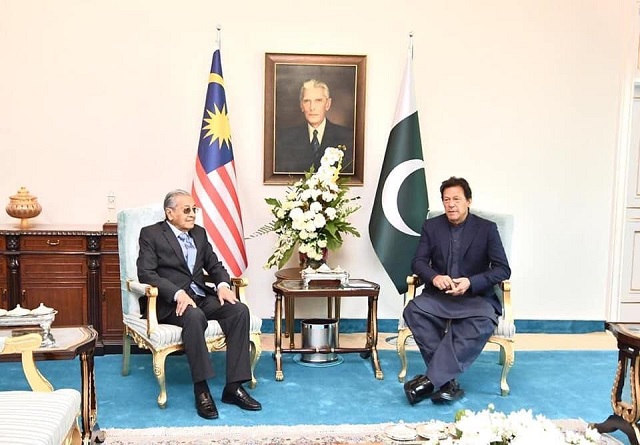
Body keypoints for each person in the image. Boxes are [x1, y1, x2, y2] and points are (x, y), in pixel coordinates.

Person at [136, 189, 261, 419]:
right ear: (169, 213)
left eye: (194, 209)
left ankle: (233, 387)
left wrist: (223, 285)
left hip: (202, 297)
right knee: (194, 316)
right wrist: (176, 294)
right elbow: (146, 274)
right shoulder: (151, 234)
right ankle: (201, 390)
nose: (192, 214)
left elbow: (215, 266)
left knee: (239, 311)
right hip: (171, 304)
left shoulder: (200, 234)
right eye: (186, 210)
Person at [402, 177, 511, 405]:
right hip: (438, 297)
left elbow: (503, 269)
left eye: (456, 199)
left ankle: (431, 380)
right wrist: (435, 277)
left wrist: (471, 282)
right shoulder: (432, 226)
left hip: (475, 298)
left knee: (483, 320)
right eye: (446, 200)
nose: (451, 204)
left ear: (468, 201)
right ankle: (446, 382)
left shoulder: (487, 229)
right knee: (413, 310)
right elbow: (418, 262)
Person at [275, 79, 354, 174]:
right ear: (301, 106)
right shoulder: (285, 139)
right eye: (307, 101)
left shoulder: (348, 137)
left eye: (318, 101)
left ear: (328, 104)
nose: (312, 107)